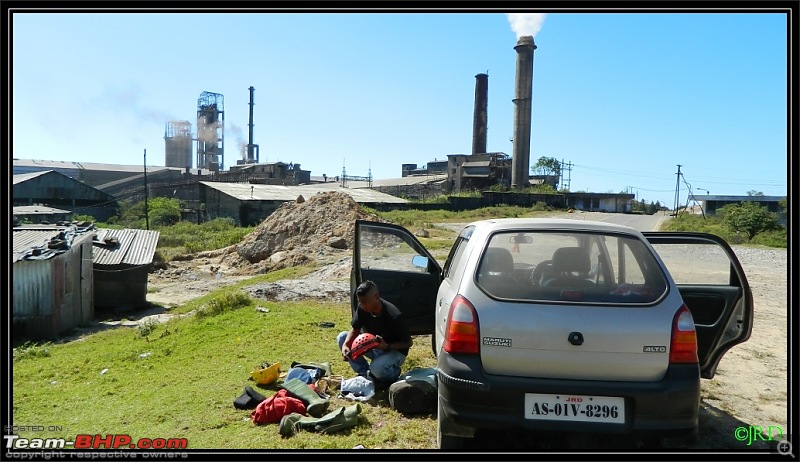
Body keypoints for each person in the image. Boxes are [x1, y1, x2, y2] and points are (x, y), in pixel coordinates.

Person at [337, 280, 413, 386]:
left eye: (365, 302)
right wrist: (346, 345)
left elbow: (408, 343)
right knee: (342, 337)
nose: (362, 305)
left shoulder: (394, 315)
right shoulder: (363, 308)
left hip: (394, 351)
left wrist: (386, 346)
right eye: (360, 302)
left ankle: (393, 373)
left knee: (376, 369)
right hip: (374, 346)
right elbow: (355, 329)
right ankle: (364, 373)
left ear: (376, 297)